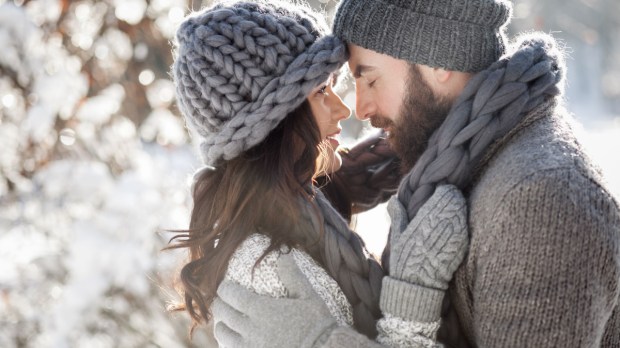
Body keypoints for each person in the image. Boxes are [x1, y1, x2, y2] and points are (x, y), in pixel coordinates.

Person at [213, 0, 620, 347]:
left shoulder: (542, 197)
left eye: (368, 78)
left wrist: (321, 341)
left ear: (438, 58)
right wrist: (331, 195)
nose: (361, 110)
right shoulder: (454, 167)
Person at [168, 1, 469, 347]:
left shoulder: (303, 213)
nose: (343, 110)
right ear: (275, 122)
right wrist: (413, 289)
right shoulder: (264, 266)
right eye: (321, 92)